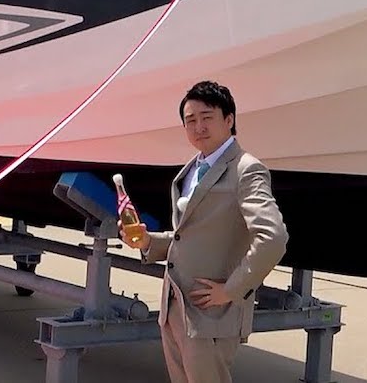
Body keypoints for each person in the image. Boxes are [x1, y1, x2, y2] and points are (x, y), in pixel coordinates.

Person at [120, 80, 288, 383]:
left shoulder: (246, 170)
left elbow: (273, 238)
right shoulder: (193, 169)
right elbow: (190, 235)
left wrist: (232, 290)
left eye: (207, 117)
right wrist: (148, 242)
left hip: (211, 316)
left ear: (229, 120)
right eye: (190, 120)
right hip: (175, 310)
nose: (198, 126)